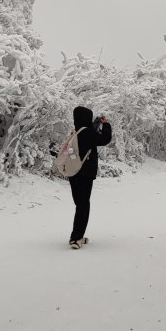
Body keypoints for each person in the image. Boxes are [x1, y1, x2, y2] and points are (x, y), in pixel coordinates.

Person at [65, 105, 112, 249]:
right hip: (85, 175)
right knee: (83, 205)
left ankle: (78, 235)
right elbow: (105, 139)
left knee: (81, 204)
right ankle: (75, 238)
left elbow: (70, 152)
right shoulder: (88, 133)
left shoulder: (74, 133)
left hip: (74, 173)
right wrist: (106, 125)